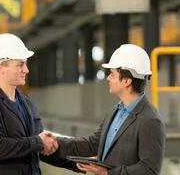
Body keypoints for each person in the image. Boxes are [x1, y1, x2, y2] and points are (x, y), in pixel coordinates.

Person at [0, 33, 78, 175]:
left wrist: (78, 164)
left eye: (25, 64)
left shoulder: (27, 102)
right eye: (20, 65)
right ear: (1, 69)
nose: (26, 70)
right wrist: (37, 142)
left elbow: (42, 147)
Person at [55, 44, 166, 175]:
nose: (108, 78)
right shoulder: (116, 111)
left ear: (126, 81)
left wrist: (108, 173)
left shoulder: (150, 120)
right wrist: (55, 143)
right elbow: (93, 144)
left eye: (112, 74)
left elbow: (149, 170)